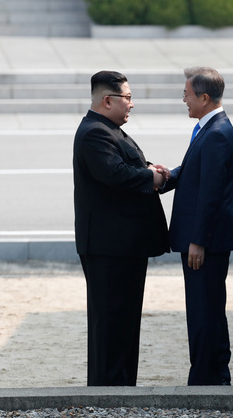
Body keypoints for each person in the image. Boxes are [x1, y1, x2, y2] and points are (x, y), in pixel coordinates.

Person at [73, 70, 170, 386]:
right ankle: (109, 390)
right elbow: (115, 175)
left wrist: (153, 172)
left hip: (121, 246)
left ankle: (121, 386)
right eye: (127, 98)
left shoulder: (108, 129)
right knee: (112, 321)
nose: (131, 104)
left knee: (124, 320)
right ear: (107, 100)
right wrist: (150, 177)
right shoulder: (94, 133)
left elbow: (126, 169)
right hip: (109, 247)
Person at [159, 66, 233, 386]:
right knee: (204, 309)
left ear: (204, 98)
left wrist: (198, 240)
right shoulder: (209, 128)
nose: (184, 99)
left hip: (205, 242)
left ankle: (208, 379)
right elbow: (193, 170)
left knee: (204, 311)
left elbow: (211, 194)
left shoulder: (218, 133)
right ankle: (212, 375)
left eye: (187, 94)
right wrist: (165, 178)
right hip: (203, 238)